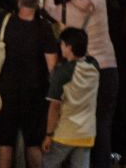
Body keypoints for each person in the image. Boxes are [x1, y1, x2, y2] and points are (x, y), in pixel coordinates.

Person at [45, 0, 118, 168]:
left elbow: (47, 7)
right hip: (109, 68)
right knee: (103, 125)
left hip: (86, 73)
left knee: (83, 123)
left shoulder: (68, 10)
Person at [0, 0, 56, 168]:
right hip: (35, 92)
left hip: (6, 91)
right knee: (33, 143)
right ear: (38, 3)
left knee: (5, 142)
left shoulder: (5, 21)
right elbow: (52, 67)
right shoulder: (44, 28)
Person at [41, 28, 98, 168]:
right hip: (86, 133)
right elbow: (86, 56)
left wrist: (49, 134)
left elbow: (54, 107)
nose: (60, 48)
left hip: (65, 132)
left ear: (69, 47)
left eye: (62, 44)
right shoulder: (94, 66)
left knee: (48, 164)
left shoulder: (62, 72)